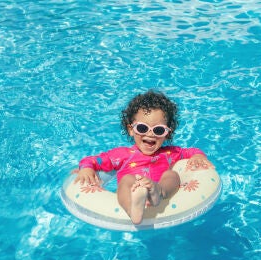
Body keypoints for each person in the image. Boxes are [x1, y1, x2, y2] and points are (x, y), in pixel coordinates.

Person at [74, 90, 214, 225]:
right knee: (127, 180)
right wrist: (86, 168)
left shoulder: (170, 153)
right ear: (131, 129)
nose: (150, 134)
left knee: (171, 175)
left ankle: (158, 192)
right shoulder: (122, 154)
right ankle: (132, 208)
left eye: (158, 130)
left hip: (157, 187)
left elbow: (191, 151)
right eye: (142, 128)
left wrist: (198, 156)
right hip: (132, 188)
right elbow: (94, 160)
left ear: (167, 134)